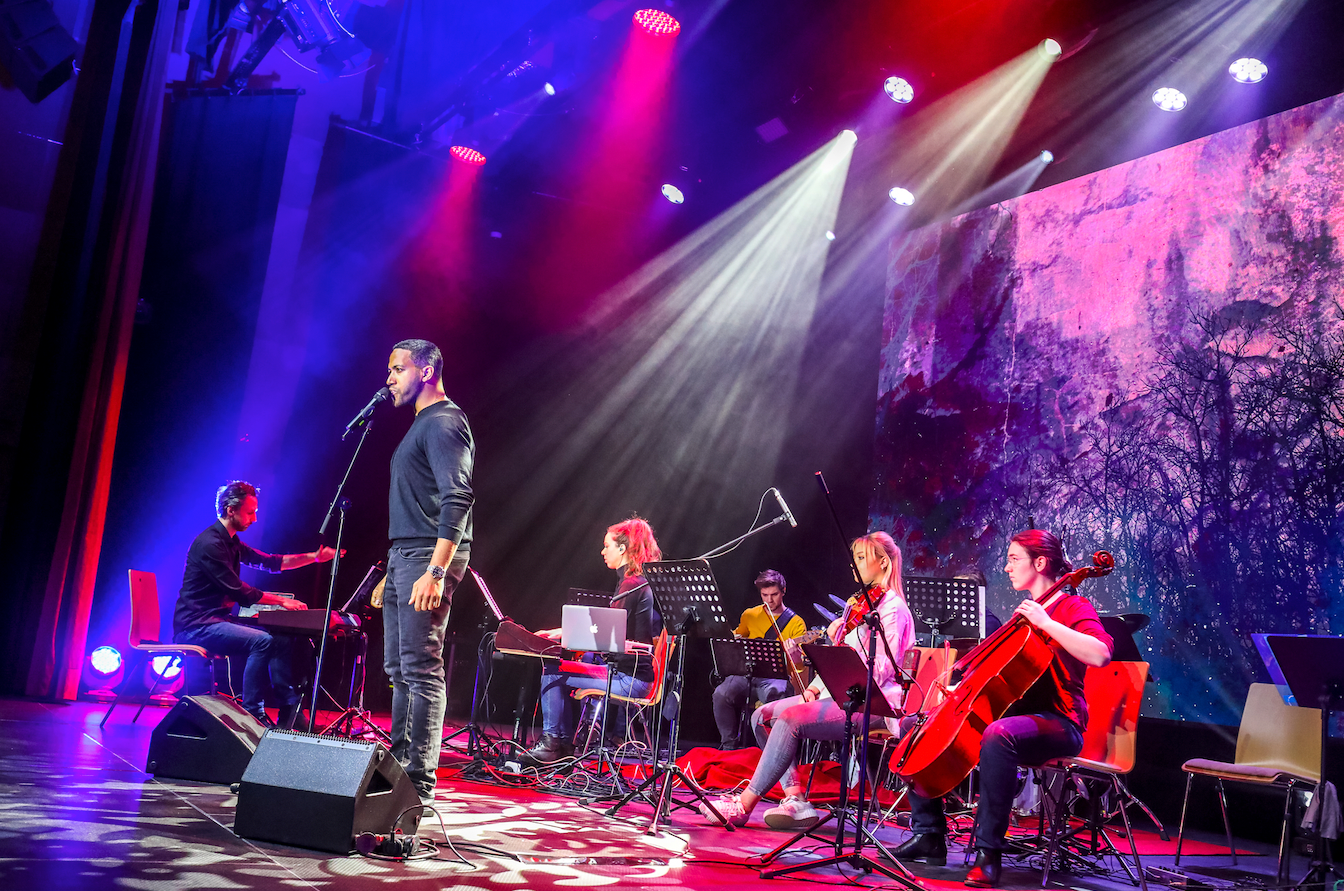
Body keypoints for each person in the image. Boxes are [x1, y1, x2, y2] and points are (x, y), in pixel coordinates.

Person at [891, 529, 1113, 888]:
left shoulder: (1072, 607)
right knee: (913, 727)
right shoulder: (1023, 613)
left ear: (1040, 563)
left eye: (1014, 559)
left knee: (998, 735)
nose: (1006, 567)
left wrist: (1048, 623)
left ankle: (988, 852)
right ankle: (929, 832)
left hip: (1060, 722)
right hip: (1017, 715)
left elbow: (1101, 654)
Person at [699, 532, 916, 830]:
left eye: (863, 558)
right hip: (842, 693)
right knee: (762, 716)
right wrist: (815, 685)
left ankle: (744, 804)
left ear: (884, 562)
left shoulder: (892, 610)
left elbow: (878, 671)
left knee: (789, 718)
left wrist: (841, 648)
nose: (856, 565)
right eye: (855, 558)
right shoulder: (860, 605)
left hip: (872, 702)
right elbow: (843, 664)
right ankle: (795, 799)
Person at [383, 338, 475, 804]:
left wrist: (435, 571)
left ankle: (416, 784)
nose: (389, 378)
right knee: (399, 669)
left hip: (428, 558)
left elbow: (457, 497)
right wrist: (393, 567)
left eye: (397, 369)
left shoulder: (443, 422)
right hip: (407, 554)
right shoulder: (422, 424)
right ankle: (398, 768)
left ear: (424, 371)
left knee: (420, 670)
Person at [173, 481, 337, 727]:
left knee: (280, 638)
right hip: (196, 625)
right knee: (262, 641)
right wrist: (282, 601)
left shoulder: (231, 541)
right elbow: (239, 591)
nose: (255, 518)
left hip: (217, 620)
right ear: (231, 510)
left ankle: (288, 710)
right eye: (250, 512)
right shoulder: (210, 544)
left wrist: (314, 558)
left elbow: (270, 562)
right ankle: (252, 713)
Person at [524, 517, 663, 764]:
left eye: (606, 546)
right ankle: (561, 746)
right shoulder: (635, 581)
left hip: (630, 681)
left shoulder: (631, 584)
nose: (602, 551)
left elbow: (605, 636)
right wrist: (562, 631)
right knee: (558, 669)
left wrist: (564, 634)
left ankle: (553, 744)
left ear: (623, 548)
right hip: (633, 676)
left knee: (553, 672)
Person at [711, 569, 808, 749]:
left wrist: (794, 656)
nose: (769, 600)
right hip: (747, 674)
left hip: (774, 677)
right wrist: (734, 640)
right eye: (765, 595)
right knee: (721, 694)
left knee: (775, 694)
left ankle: (770, 750)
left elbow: (799, 667)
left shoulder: (796, 623)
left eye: (774, 594)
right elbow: (737, 638)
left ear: (783, 591)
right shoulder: (750, 614)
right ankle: (728, 747)